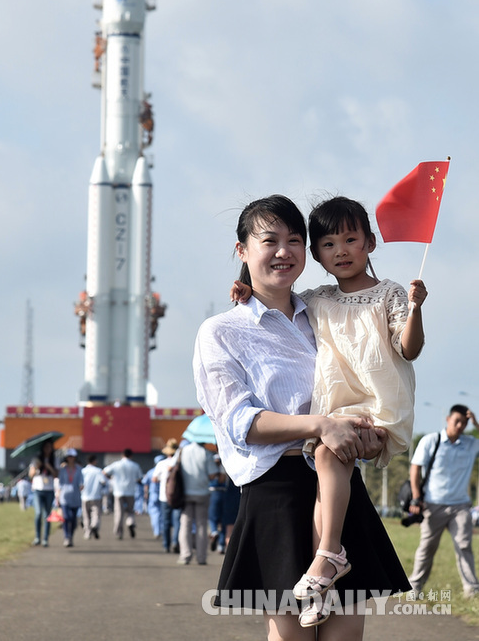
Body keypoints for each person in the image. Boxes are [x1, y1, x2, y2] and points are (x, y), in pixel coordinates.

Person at [195, 194, 411, 639]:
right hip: (277, 491)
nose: (283, 251)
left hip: (339, 484)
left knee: (344, 634)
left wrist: (367, 433)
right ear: (242, 250)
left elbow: (365, 378)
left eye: (294, 240)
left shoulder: (323, 313)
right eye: (269, 240)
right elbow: (243, 424)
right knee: (292, 635)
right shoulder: (221, 331)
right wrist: (322, 425)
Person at [408, 405, 479, 598]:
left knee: (464, 546)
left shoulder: (471, 444)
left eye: (464, 423)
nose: (459, 426)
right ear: (447, 419)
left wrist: (476, 423)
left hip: (460, 506)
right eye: (456, 421)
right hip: (433, 504)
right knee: (427, 547)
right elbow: (415, 468)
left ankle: (471, 589)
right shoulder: (431, 441)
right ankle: (414, 588)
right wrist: (416, 497)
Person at [176, 440, 217, 565]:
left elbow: (173, 467)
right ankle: (201, 557)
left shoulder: (182, 451)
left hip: (185, 492)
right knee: (201, 525)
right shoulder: (206, 453)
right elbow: (212, 475)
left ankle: (185, 555)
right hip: (202, 493)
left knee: (185, 524)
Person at [104, 448, 142, 539]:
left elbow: (104, 472)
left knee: (119, 512)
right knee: (130, 511)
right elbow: (140, 478)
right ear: (131, 456)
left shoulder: (116, 464)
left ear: (122, 455)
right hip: (131, 491)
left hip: (118, 491)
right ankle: (130, 523)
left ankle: (119, 532)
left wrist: (110, 478)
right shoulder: (135, 465)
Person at [152, 438, 181, 553]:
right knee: (178, 521)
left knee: (166, 521)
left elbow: (154, 479)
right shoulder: (180, 464)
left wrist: (162, 478)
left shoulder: (161, 463)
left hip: (164, 496)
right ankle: (175, 542)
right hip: (178, 496)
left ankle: (166, 545)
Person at [28, 439, 58, 547]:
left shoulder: (54, 459)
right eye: (46, 447)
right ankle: (37, 537)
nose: (47, 449)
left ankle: (45, 538)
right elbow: (30, 474)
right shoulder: (36, 459)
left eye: (50, 447)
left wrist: (49, 466)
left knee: (47, 515)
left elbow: (56, 474)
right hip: (38, 489)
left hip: (49, 489)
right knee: (38, 513)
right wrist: (38, 467)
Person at [57, 448, 84, 547]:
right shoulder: (63, 470)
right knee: (66, 517)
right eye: (69, 457)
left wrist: (81, 486)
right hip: (64, 496)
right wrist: (57, 497)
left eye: (72, 457)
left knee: (73, 519)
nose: (70, 458)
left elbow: (81, 481)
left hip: (75, 496)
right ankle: (66, 536)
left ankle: (71, 536)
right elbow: (59, 483)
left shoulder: (79, 469)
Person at [81, 454, 106, 540]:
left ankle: (87, 533)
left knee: (86, 516)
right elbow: (103, 481)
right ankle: (94, 525)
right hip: (96, 496)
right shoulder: (98, 471)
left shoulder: (83, 471)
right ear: (94, 461)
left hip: (84, 496)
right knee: (96, 514)